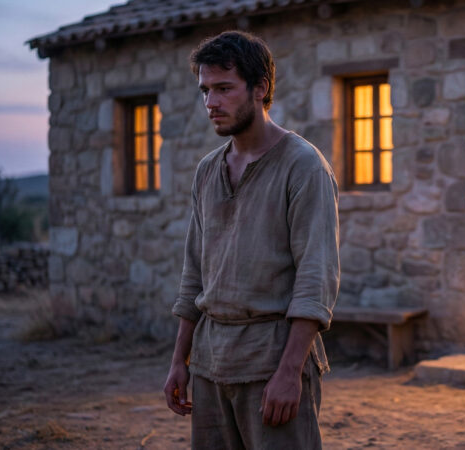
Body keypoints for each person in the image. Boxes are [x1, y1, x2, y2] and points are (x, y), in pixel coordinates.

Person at [163, 30, 339, 449]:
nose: (211, 103)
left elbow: (316, 278)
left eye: (224, 89)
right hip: (209, 363)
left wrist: (290, 372)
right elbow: (195, 275)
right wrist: (179, 361)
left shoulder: (303, 166)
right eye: (205, 90)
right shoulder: (208, 170)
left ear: (261, 89)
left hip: (271, 362)